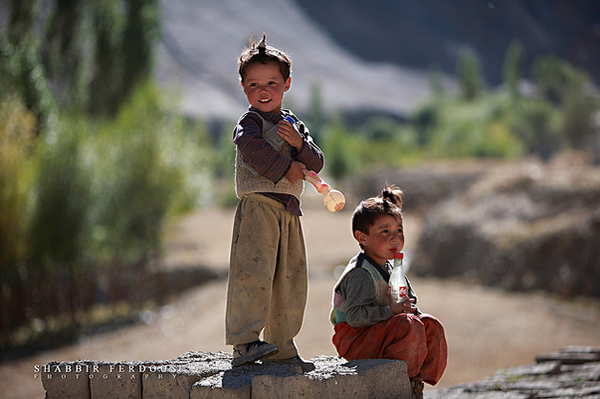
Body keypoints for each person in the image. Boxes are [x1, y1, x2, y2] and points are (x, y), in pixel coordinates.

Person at [225, 33, 324, 371]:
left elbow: (317, 162)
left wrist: (300, 146)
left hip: (289, 213)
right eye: (253, 84)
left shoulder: (293, 124)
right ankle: (245, 342)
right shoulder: (249, 124)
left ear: (287, 84)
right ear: (243, 88)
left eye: (271, 82)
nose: (263, 90)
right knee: (252, 274)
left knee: (290, 278)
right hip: (259, 208)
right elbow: (252, 150)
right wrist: (287, 168)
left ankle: (282, 344)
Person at [330, 185, 447, 398]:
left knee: (430, 325)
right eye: (385, 232)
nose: (395, 238)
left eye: (399, 231)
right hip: (355, 340)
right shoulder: (360, 274)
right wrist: (391, 312)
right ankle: (400, 379)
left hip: (382, 332)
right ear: (362, 237)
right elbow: (355, 317)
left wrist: (412, 310)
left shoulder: (392, 267)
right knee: (406, 324)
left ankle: (415, 380)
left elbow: (408, 302)